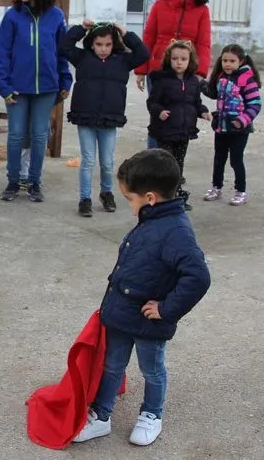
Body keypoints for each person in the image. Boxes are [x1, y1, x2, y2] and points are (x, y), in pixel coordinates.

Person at [72, 148, 211, 446]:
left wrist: (166, 309)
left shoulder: (176, 231)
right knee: (112, 365)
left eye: (129, 199)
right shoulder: (152, 218)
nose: (129, 206)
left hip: (150, 321)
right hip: (122, 314)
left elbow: (198, 277)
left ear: (149, 198)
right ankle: (102, 415)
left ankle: (151, 414)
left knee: (152, 369)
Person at [0, 0, 73, 203]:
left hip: (47, 88)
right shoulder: (12, 16)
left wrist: (65, 80)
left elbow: (63, 52)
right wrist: (4, 86)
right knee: (16, 135)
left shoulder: (56, 16)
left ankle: (34, 182)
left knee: (40, 136)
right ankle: (13, 181)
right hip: (17, 88)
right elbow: (2, 54)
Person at [61, 19, 150, 217]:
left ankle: (106, 193)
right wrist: (81, 29)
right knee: (88, 161)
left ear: (114, 43)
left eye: (108, 44)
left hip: (110, 119)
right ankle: (85, 199)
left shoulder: (123, 60)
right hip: (85, 117)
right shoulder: (82, 58)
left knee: (108, 162)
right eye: (99, 44)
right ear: (91, 43)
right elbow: (65, 45)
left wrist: (126, 33)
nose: (103, 49)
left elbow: (144, 53)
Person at [134, 0, 212, 149]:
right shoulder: (160, 6)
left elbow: (203, 43)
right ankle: (153, 161)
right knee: (158, 115)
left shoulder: (202, 10)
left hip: (184, 73)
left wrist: (200, 72)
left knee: (178, 116)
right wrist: (141, 70)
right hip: (158, 70)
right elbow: (148, 37)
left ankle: (172, 164)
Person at [146, 40, 211, 211]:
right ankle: (161, 196)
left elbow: (196, 103)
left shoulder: (193, 82)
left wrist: (203, 111)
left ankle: (176, 194)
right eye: (175, 58)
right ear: (169, 59)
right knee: (166, 165)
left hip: (184, 131)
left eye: (183, 59)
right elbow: (152, 103)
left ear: (190, 61)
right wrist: (159, 111)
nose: (179, 62)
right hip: (165, 131)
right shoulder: (161, 80)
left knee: (178, 164)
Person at [201, 44, 262, 206]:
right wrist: (201, 84)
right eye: (225, 60)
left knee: (236, 160)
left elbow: (255, 104)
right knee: (219, 158)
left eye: (232, 61)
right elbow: (213, 94)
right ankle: (216, 187)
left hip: (239, 130)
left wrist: (241, 121)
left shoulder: (247, 79)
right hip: (221, 127)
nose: (228, 64)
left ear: (241, 61)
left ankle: (240, 191)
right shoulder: (221, 77)